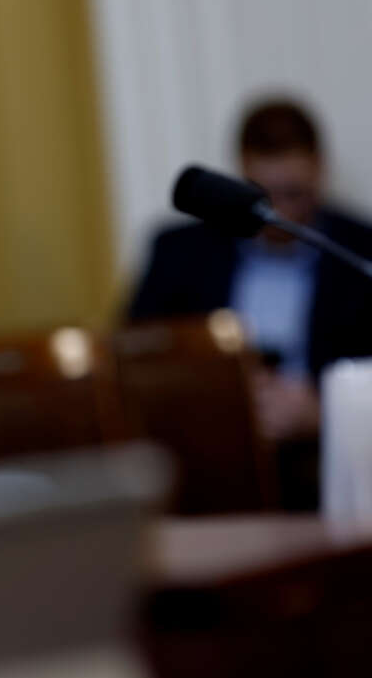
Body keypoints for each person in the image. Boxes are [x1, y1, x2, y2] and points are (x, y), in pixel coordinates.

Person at [129, 98, 372, 502]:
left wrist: (326, 412)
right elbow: (136, 360)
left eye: (295, 193)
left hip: (323, 465)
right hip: (207, 460)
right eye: (266, 196)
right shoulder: (178, 253)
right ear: (241, 173)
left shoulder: (359, 253)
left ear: (320, 169)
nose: (281, 213)